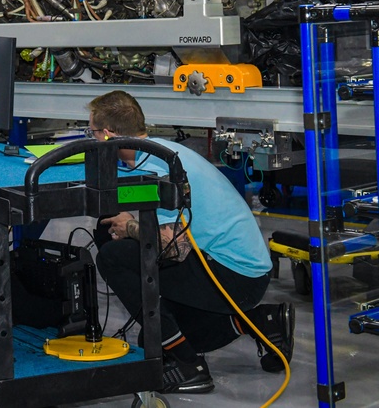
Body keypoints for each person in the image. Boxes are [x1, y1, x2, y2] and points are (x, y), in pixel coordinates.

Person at [91, 90, 294, 395]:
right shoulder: (161, 151)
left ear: (108, 135)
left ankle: (189, 366)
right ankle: (262, 322)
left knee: (112, 257)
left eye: (91, 131)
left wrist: (130, 226)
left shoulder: (158, 170)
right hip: (242, 268)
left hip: (233, 276)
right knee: (153, 338)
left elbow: (174, 247)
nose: (90, 138)